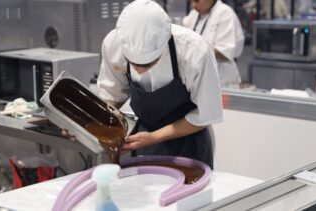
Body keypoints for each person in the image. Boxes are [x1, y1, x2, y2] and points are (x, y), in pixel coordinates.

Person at [66, 0, 223, 168]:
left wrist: (154, 137)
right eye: (132, 63)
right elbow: (112, 96)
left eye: (149, 64)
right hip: (145, 140)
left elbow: (206, 115)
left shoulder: (194, 51)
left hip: (190, 142)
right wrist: (89, 125)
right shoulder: (113, 44)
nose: (140, 71)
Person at [183, 0, 245, 88]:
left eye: (196, 1)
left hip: (221, 79)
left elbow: (225, 53)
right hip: (198, 79)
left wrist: (197, 49)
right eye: (190, 2)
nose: (193, 5)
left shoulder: (225, 13)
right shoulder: (194, 14)